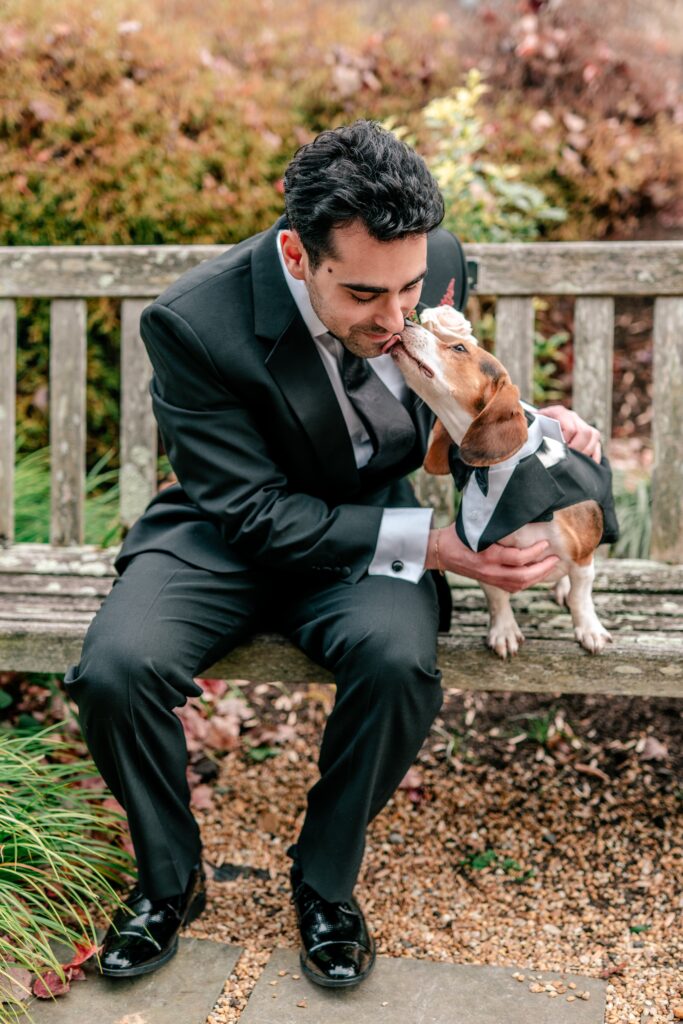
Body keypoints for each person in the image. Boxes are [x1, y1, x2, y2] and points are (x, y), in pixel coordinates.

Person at [63, 120, 601, 988]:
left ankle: (323, 882)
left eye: (411, 290)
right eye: (363, 297)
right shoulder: (193, 322)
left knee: (398, 665)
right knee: (115, 672)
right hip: (223, 534)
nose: (394, 320)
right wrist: (438, 549)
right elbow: (252, 511)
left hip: (365, 528)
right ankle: (167, 883)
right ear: (297, 253)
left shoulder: (428, 262)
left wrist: (542, 426)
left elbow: (459, 389)